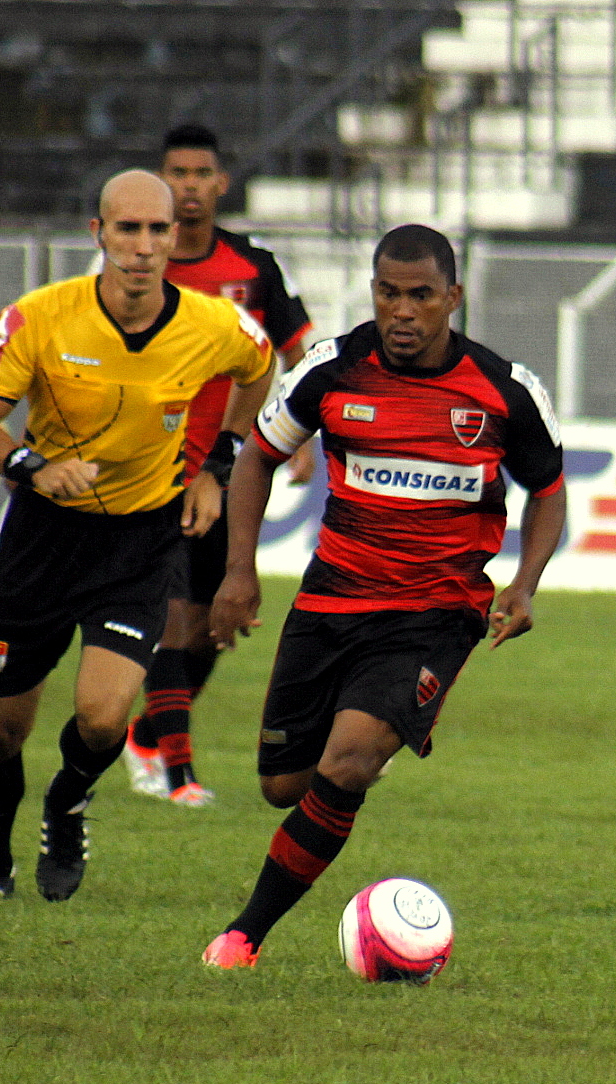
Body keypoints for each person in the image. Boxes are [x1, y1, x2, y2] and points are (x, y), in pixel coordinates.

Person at [201, 223, 566, 968]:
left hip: (435, 615)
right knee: (281, 785)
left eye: (420, 296)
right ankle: (369, 736)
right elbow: (258, 460)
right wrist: (237, 572)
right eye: (387, 293)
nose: (402, 311)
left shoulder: (504, 390)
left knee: (345, 766)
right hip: (331, 601)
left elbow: (548, 491)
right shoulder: (330, 369)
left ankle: (243, 937)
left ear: (451, 299)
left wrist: (523, 585)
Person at [0, 168, 274, 902]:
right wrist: (32, 466)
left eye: (158, 230)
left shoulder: (212, 323)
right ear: (98, 235)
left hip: (139, 540)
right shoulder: (39, 318)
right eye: (127, 229)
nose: (143, 246)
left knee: (101, 719)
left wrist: (215, 463)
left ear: (174, 239)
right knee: (1, 729)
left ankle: (66, 805)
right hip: (43, 538)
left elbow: (258, 370)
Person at [122, 124, 314, 807]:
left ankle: (147, 732)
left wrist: (305, 435)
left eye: (201, 173)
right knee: (172, 618)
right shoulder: (141, 265)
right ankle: (179, 775)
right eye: (177, 172)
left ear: (220, 183)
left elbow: (299, 350)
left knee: (209, 630)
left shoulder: (253, 268)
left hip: (229, 469)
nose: (189, 185)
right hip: (153, 469)